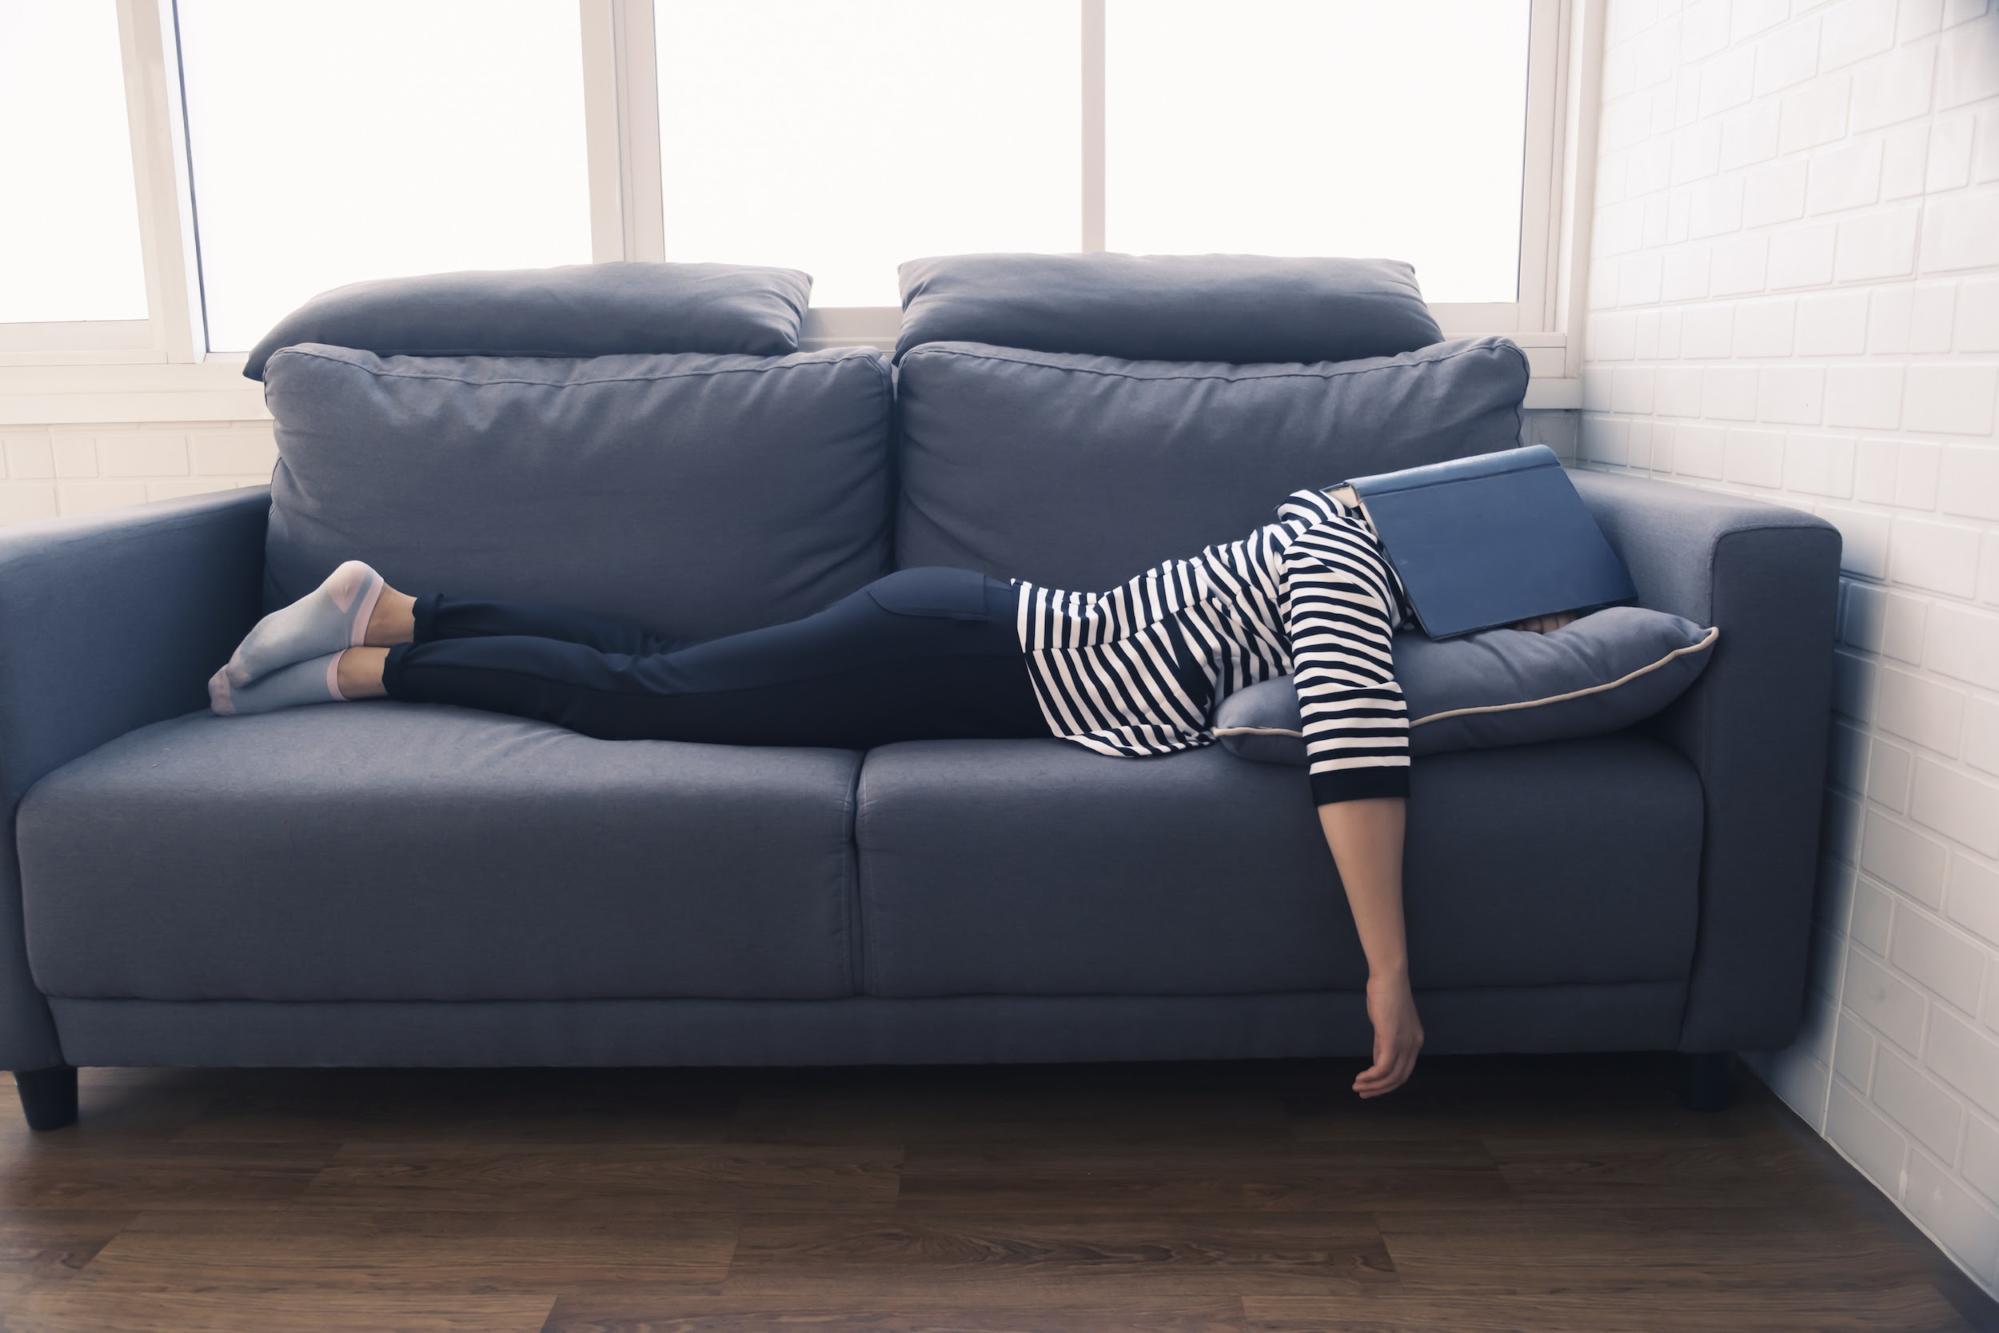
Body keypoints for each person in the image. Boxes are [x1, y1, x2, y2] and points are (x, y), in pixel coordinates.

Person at [210, 483, 1575, 1099]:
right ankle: (379, 663)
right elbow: (1354, 738)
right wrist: (1390, 968)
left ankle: (390, 603)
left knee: (664, 668)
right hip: (962, 652)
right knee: (651, 702)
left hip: (965, 639)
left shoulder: (1324, 522)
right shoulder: (1348, 571)